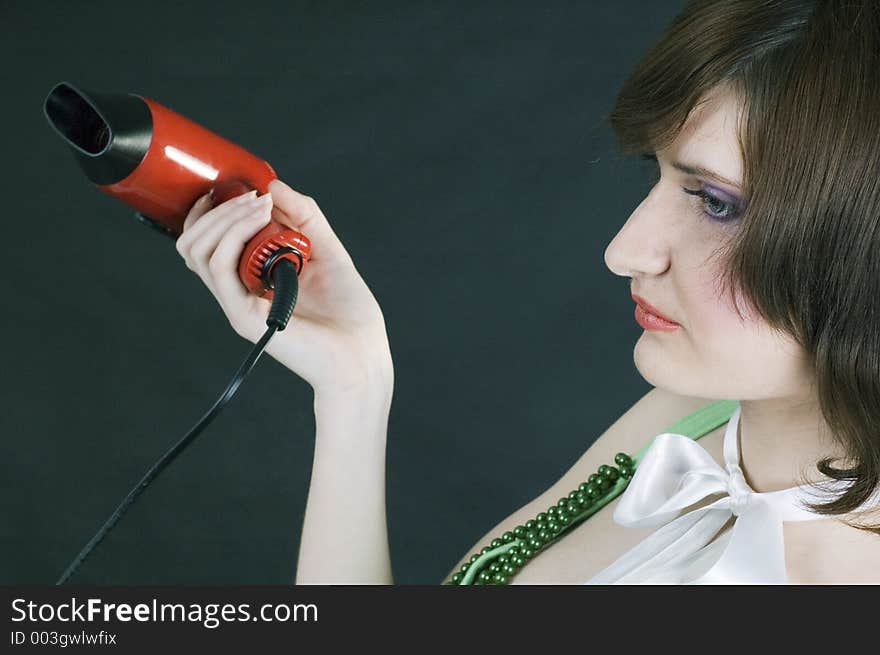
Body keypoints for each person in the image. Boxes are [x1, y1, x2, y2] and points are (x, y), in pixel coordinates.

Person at [175, 0, 880, 584]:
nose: (624, 250)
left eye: (716, 203)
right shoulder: (690, 422)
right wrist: (354, 385)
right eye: (657, 177)